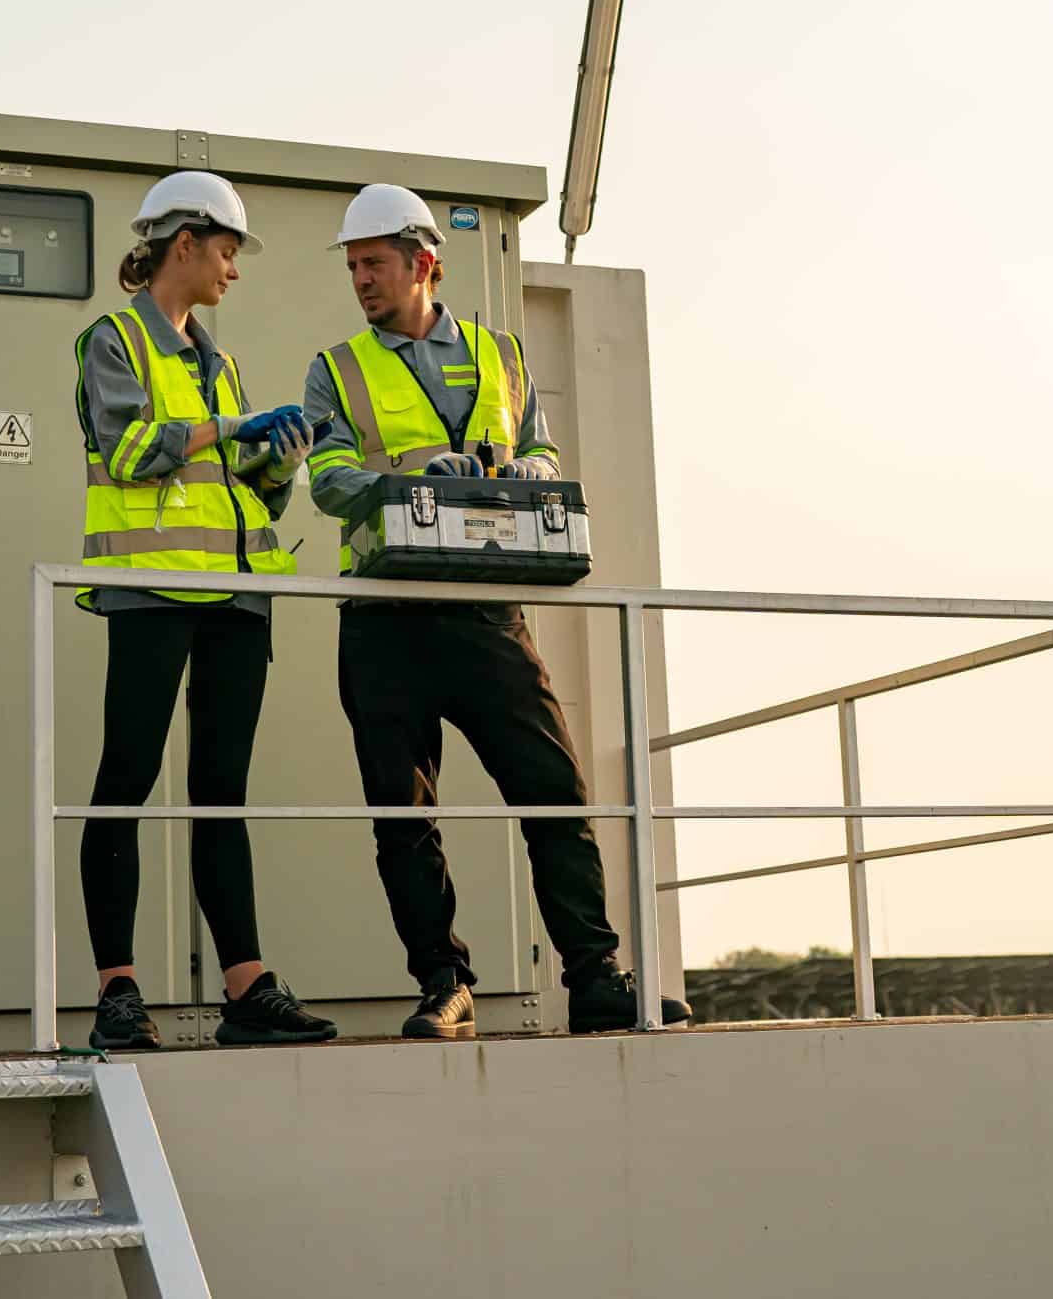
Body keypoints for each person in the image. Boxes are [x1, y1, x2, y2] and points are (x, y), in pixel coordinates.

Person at [302, 183, 693, 1038]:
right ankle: (445, 985)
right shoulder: (335, 370)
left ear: (424, 264)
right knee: (402, 816)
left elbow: (542, 447)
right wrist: (408, 483)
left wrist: (535, 476)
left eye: (373, 263)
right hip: (383, 617)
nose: (360, 279)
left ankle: (596, 981)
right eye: (353, 265)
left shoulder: (504, 355)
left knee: (555, 792)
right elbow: (328, 481)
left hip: (488, 611)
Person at [73, 170, 335, 1051]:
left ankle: (246, 988)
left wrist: (279, 462)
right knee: (127, 781)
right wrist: (236, 429)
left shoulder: (219, 362)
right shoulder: (113, 340)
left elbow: (239, 492)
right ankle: (119, 990)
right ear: (183, 244)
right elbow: (133, 447)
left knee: (221, 793)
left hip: (236, 598)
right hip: (150, 592)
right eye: (227, 250)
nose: (234, 268)